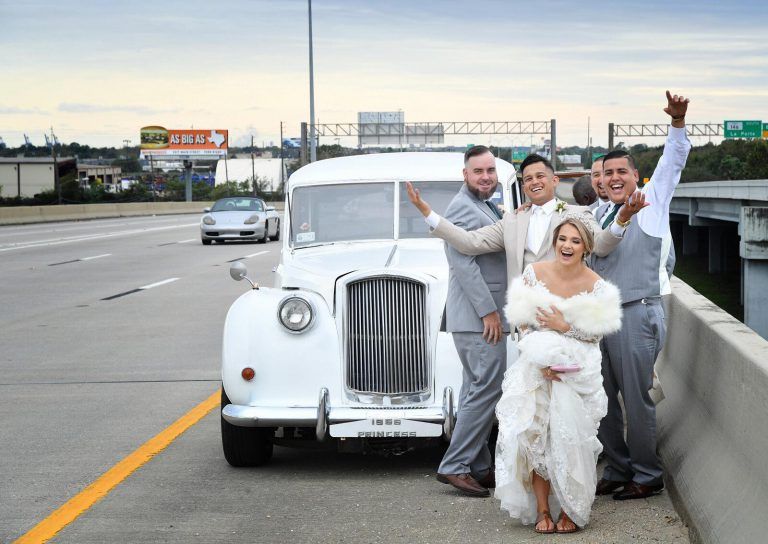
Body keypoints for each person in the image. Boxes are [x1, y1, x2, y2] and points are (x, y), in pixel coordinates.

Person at [593, 90, 692, 501]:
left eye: (622, 172)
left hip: (637, 314)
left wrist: (677, 123)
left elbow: (672, 162)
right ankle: (617, 467)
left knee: (636, 400)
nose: (614, 178)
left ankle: (647, 474)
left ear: (637, 176)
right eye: (607, 172)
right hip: (602, 318)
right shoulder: (602, 212)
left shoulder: (652, 201)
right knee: (604, 400)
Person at [495, 217, 622, 533]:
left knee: (570, 440)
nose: (567, 245)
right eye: (562, 239)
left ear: (585, 247)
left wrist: (565, 327)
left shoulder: (598, 285)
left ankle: (569, 508)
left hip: (577, 372)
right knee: (537, 439)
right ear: (555, 242)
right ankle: (542, 511)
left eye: (575, 241)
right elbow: (522, 324)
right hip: (538, 369)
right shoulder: (533, 274)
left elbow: (597, 334)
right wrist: (540, 360)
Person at [405, 153, 646, 286]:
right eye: (528, 179)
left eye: (540, 176)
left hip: (566, 314)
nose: (534, 182)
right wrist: (429, 214)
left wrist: (622, 218)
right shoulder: (512, 220)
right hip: (527, 320)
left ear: (554, 181)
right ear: (524, 186)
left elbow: (602, 247)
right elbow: (470, 242)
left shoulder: (578, 214)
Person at [435, 145, 509, 497]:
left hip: (473, 318)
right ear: (465, 175)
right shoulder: (463, 208)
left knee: (473, 390)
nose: (486, 177)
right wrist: (488, 311)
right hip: (480, 318)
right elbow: (463, 264)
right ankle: (455, 465)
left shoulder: (485, 204)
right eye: (478, 171)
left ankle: (479, 467)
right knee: (488, 389)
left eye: (490, 170)